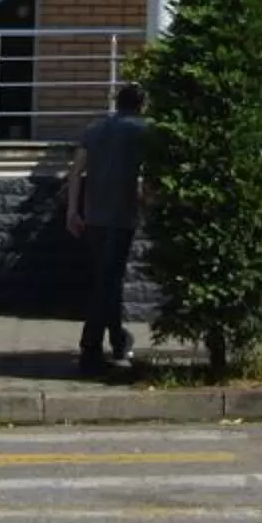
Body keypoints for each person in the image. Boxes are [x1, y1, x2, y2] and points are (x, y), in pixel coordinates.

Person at [66, 80, 151, 375]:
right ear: (141, 105)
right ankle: (89, 349)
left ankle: (117, 340)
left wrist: (72, 211)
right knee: (107, 282)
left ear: (117, 103)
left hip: (93, 217)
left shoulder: (94, 131)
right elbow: (148, 177)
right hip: (121, 216)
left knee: (107, 280)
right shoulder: (144, 131)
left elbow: (76, 171)